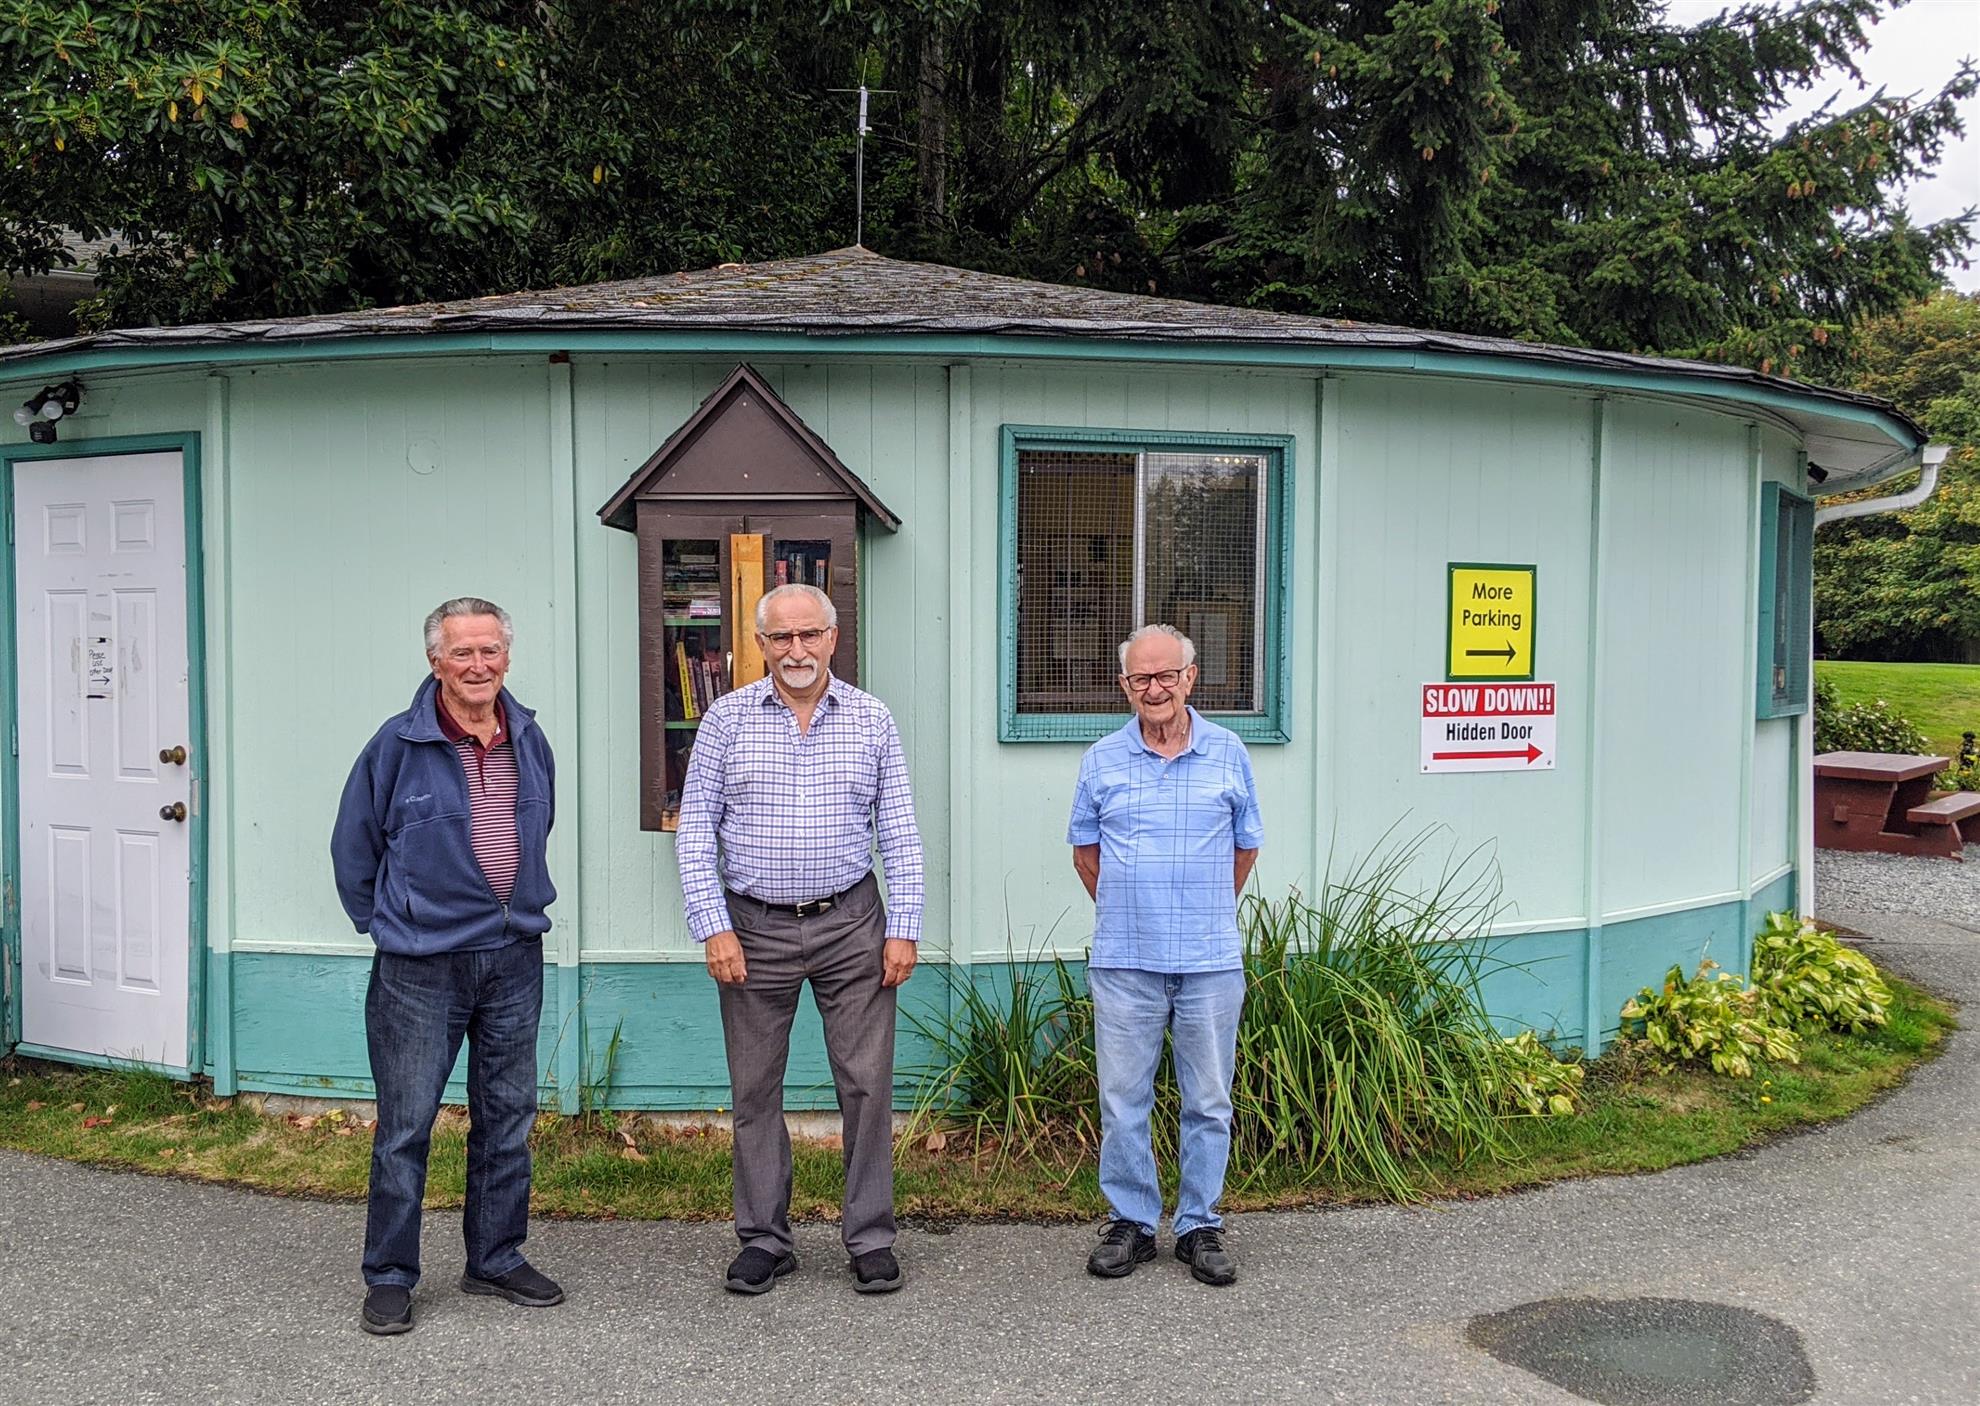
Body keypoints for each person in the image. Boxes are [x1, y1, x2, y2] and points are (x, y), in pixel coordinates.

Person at [676, 583, 925, 1296]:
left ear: (832, 637)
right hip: (752, 928)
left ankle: (870, 1237)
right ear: (760, 645)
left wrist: (903, 927)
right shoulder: (725, 721)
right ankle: (765, 1240)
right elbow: (695, 830)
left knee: (866, 1084)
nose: (796, 650)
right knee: (755, 1089)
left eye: (808, 635)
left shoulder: (872, 720)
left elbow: (899, 832)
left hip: (852, 923)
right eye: (781, 638)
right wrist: (713, 924)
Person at [332, 597, 563, 1335]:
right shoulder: (397, 746)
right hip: (419, 968)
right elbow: (354, 849)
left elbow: (542, 822)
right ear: (435, 660)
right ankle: (391, 1274)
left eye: (489, 650)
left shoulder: (528, 735)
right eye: (462, 652)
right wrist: (391, 925)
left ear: (506, 656)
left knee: (507, 1118)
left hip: (512, 957)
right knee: (407, 1126)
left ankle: (495, 1257)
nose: (478, 665)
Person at [1067, 623, 1263, 1287]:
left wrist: (1196, 910)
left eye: (1166, 675)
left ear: (1190, 677)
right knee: (1124, 1100)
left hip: (1209, 960)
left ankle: (1200, 1224)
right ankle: (1131, 1222)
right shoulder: (1101, 760)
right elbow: (1085, 855)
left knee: (1209, 1100)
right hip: (1125, 960)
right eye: (1140, 679)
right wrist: (1137, 909)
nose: (1154, 688)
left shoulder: (1230, 753)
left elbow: (1246, 847)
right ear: (1125, 686)